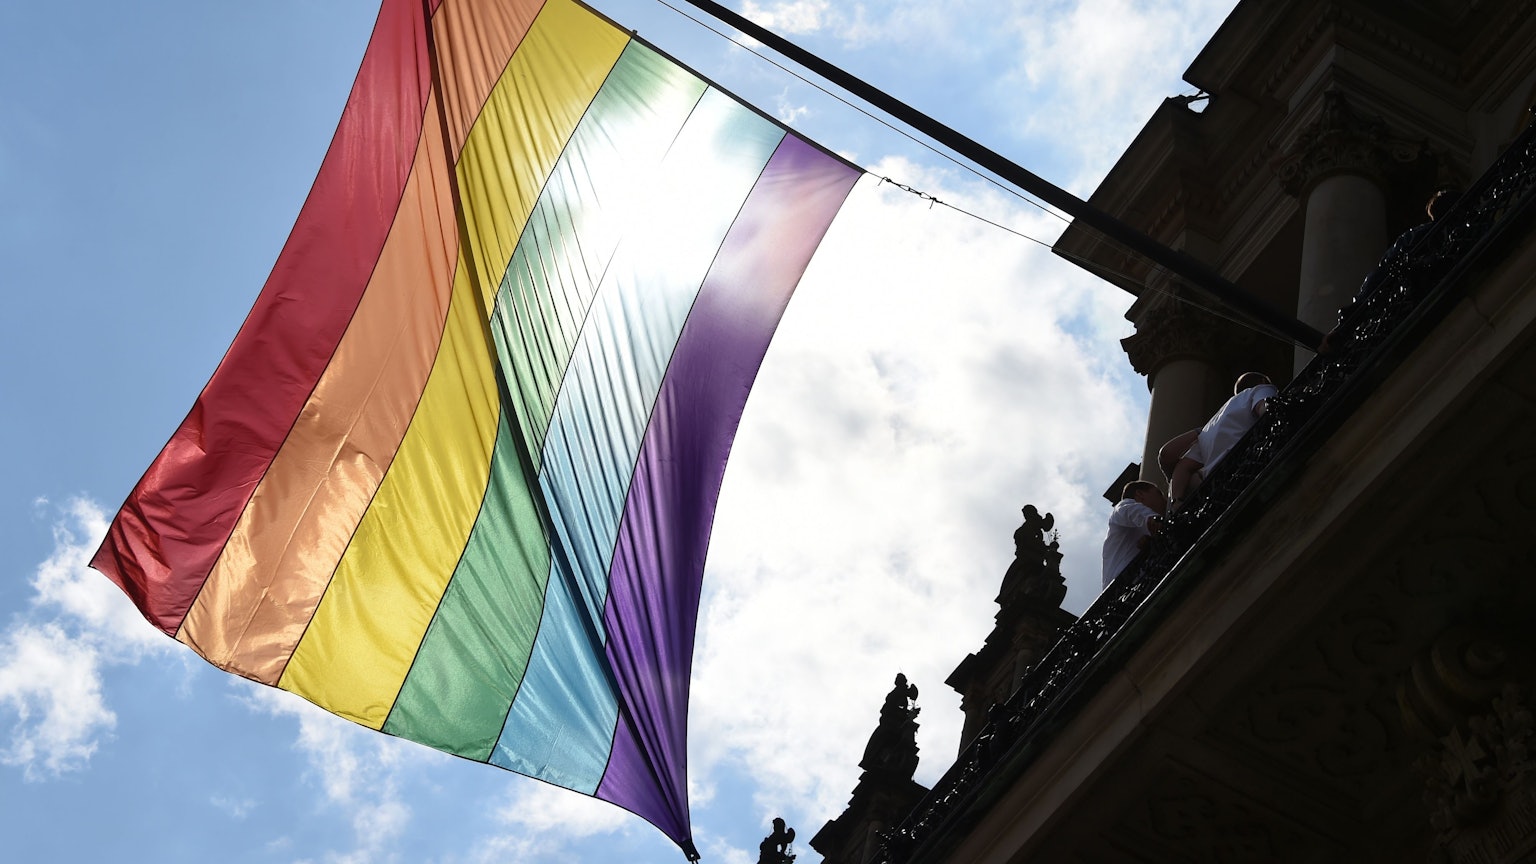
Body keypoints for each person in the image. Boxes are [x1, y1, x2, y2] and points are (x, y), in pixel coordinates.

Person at [1319, 186, 1462, 354]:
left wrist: (1346, 325)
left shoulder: (1420, 236)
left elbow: (1378, 276)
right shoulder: (1419, 236)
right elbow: (1382, 274)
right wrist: (1346, 325)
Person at [1166, 372, 1277, 509]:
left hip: (1218, 496)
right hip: (1251, 469)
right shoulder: (1259, 390)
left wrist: (1176, 501)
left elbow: (1183, 466)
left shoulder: (1210, 426)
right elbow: (1268, 408)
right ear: (1262, 381)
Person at [1101, 480, 1167, 587]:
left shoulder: (1138, 528)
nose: (1164, 499)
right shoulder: (1124, 506)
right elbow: (1136, 512)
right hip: (1125, 590)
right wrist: (1157, 521)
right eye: (1159, 494)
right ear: (1140, 494)